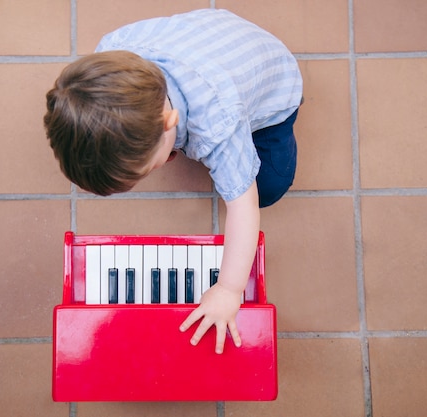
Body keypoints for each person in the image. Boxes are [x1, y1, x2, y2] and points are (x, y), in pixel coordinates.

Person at [44, 9, 303, 354]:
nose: (156, 169)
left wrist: (227, 290)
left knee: (268, 185)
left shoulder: (217, 125)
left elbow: (244, 209)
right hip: (214, 39)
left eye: (149, 167)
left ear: (170, 122)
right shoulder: (112, 51)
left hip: (273, 91)